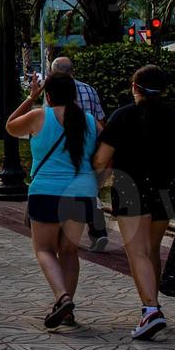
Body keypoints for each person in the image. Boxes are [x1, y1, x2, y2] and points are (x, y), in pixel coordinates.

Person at [93, 65, 175, 341]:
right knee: (151, 250)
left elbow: (102, 159)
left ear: (135, 88)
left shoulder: (122, 117)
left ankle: (150, 310)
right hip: (165, 192)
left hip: (130, 189)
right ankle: (155, 304)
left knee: (136, 252)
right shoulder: (173, 118)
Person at [7, 72, 102, 330]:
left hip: (46, 191)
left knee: (45, 250)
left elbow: (11, 125)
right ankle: (67, 310)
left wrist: (30, 97)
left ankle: (62, 298)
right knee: (69, 251)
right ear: (74, 93)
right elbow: (105, 154)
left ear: (48, 95)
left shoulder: (40, 116)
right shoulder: (90, 122)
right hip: (81, 192)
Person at [50, 56, 111, 253]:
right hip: (89, 147)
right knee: (91, 192)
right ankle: (98, 231)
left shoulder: (53, 91)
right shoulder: (89, 89)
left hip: (63, 151)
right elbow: (101, 119)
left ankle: (66, 232)